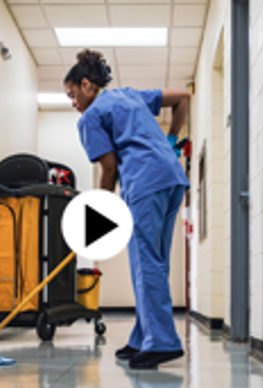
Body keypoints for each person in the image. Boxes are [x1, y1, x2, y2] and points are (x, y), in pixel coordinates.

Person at [64, 49, 190, 369]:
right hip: (173, 179)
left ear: (87, 85)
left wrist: (101, 214)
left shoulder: (90, 118)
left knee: (145, 262)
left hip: (145, 184)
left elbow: (108, 169)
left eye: (73, 93)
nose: (73, 102)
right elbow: (182, 98)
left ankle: (161, 341)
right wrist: (172, 142)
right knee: (155, 261)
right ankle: (143, 337)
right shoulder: (128, 95)